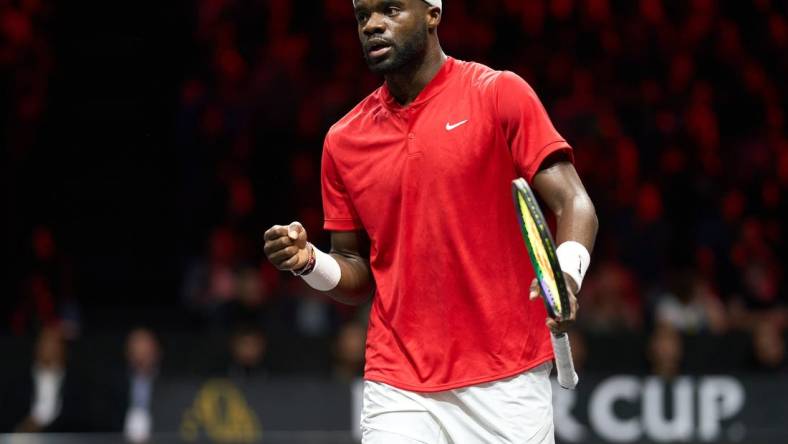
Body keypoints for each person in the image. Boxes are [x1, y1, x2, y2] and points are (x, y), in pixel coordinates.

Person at [263, 0, 598, 442]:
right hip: (398, 379)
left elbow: (575, 202)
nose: (373, 26)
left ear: (433, 15)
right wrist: (309, 262)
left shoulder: (498, 94)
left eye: (390, 10)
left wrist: (567, 276)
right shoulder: (344, 141)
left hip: (505, 376)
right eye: (363, 16)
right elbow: (356, 274)